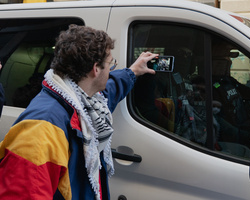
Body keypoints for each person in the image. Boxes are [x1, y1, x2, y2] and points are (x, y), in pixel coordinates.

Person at [0, 24, 158, 200]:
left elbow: (108, 92)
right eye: (110, 64)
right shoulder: (41, 129)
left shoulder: (85, 100)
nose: (111, 68)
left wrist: (133, 71)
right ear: (95, 69)